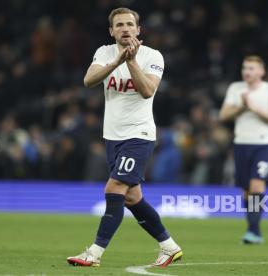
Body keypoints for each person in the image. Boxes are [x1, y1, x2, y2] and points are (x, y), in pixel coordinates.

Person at [67, 7, 182, 267]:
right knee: (131, 198)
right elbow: (88, 80)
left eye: (130, 24)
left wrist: (130, 61)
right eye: (119, 25)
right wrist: (117, 61)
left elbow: (147, 90)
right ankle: (169, 247)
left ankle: (94, 254)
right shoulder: (104, 52)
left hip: (139, 134)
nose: (125, 29)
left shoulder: (153, 56)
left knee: (114, 188)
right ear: (111, 31)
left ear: (138, 29)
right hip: (112, 136)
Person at [219, 55, 268, 244]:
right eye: (245, 68)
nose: (247, 72)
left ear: (261, 72)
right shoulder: (235, 88)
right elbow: (223, 115)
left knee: (257, 186)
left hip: (263, 144)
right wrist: (242, 107)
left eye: (252, 68)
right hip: (241, 143)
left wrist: (254, 108)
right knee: (247, 190)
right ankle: (252, 230)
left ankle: (254, 231)